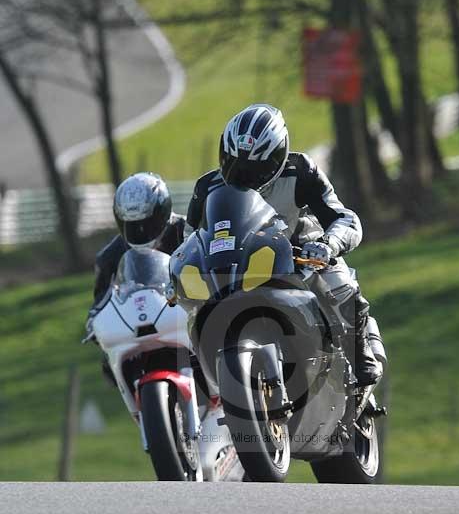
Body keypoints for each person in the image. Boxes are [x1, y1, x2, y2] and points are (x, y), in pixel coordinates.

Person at [184, 103, 382, 386]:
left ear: (278, 156)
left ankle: (359, 350)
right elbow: (189, 238)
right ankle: (202, 366)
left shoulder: (301, 171)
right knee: (187, 310)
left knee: (341, 284)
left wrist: (328, 245)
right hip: (233, 266)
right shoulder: (207, 187)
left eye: (256, 168)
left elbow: (344, 217)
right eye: (235, 165)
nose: (245, 178)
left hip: (296, 256)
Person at [85, 172, 185, 382]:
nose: (141, 231)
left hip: (184, 316)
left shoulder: (187, 233)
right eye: (133, 225)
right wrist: (94, 323)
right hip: (140, 328)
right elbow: (100, 302)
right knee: (110, 365)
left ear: (163, 212)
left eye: (147, 222)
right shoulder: (109, 256)